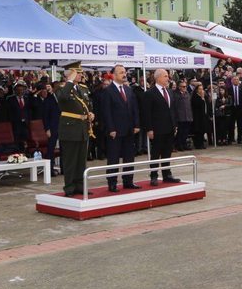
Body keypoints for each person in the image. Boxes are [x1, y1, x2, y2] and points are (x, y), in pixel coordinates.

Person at [56, 63, 94, 196]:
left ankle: (80, 186)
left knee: (81, 160)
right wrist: (70, 81)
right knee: (70, 160)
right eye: (78, 73)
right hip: (70, 129)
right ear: (70, 74)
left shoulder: (82, 88)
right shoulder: (62, 88)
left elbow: (87, 104)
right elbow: (63, 98)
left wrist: (91, 113)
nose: (81, 75)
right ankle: (69, 187)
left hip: (82, 128)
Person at [101, 64, 141, 192]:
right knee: (113, 157)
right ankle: (112, 182)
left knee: (129, 156)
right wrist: (111, 129)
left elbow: (134, 109)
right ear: (113, 75)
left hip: (129, 129)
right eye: (120, 72)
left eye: (124, 72)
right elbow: (106, 112)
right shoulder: (108, 91)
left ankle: (128, 181)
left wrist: (136, 124)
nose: (124, 74)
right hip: (116, 131)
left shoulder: (129, 90)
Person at [142, 69, 180, 185]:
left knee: (167, 152)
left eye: (167, 76)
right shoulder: (150, 93)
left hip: (169, 127)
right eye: (165, 76)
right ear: (158, 78)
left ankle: (167, 174)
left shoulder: (169, 91)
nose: (167, 78)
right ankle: (153, 175)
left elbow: (173, 110)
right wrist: (149, 129)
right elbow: (146, 113)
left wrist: (175, 125)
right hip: (157, 129)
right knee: (155, 153)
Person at [172, 81, 193, 151]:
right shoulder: (176, 94)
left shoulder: (187, 94)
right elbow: (175, 106)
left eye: (185, 86)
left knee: (186, 132)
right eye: (183, 86)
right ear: (179, 87)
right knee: (180, 132)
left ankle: (184, 144)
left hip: (188, 116)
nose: (185, 88)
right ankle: (179, 145)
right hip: (180, 117)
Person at [191, 84, 209, 149]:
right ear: (197, 90)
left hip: (203, 116)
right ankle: (198, 144)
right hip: (197, 117)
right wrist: (201, 98)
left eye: (202, 89)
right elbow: (197, 105)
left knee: (202, 130)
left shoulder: (203, 96)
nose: (201, 90)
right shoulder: (195, 97)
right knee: (198, 131)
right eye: (200, 89)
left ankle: (201, 143)